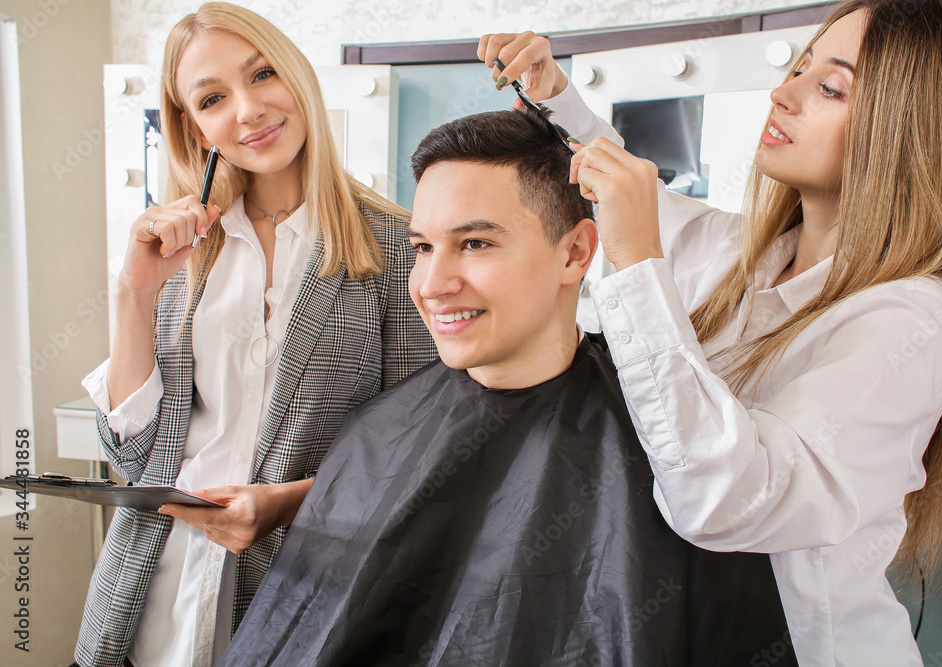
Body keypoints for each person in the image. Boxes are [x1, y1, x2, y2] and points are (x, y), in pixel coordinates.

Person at [479, 0, 942, 664]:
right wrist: (554, 94)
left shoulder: (915, 320)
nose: (781, 94)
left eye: (829, 87)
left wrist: (639, 264)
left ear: (914, 130)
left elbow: (725, 500)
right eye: (801, 68)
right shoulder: (745, 254)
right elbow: (636, 192)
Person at [217, 108, 795, 666]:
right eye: (422, 247)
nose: (432, 284)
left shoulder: (677, 453)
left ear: (575, 253)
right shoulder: (383, 426)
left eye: (475, 244)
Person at [75, 3, 436, 666]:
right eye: (213, 98)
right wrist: (134, 294)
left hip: (302, 605)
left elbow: (416, 457)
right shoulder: (177, 251)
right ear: (194, 125)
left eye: (262, 73)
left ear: (297, 75)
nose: (247, 109)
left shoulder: (399, 248)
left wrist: (287, 505)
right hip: (145, 606)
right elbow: (133, 460)